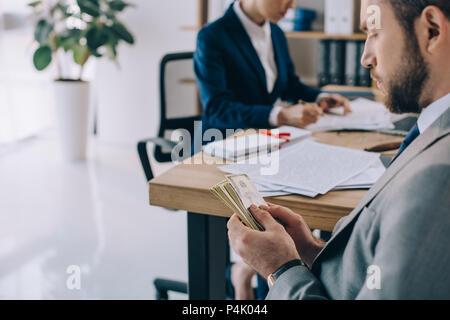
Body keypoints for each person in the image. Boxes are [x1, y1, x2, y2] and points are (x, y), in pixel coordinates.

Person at [227, 0, 450, 299]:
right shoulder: (430, 130)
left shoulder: (437, 179)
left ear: (431, 30)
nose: (365, 58)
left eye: (374, 33)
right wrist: (310, 250)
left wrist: (280, 268)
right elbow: (375, 269)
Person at [194, 0, 351, 300]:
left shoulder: (276, 33)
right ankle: (244, 272)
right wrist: (279, 115)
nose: (291, 6)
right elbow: (217, 109)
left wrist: (321, 96)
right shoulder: (213, 35)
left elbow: (289, 84)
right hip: (227, 152)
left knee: (312, 190)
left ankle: (258, 268)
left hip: (270, 149)